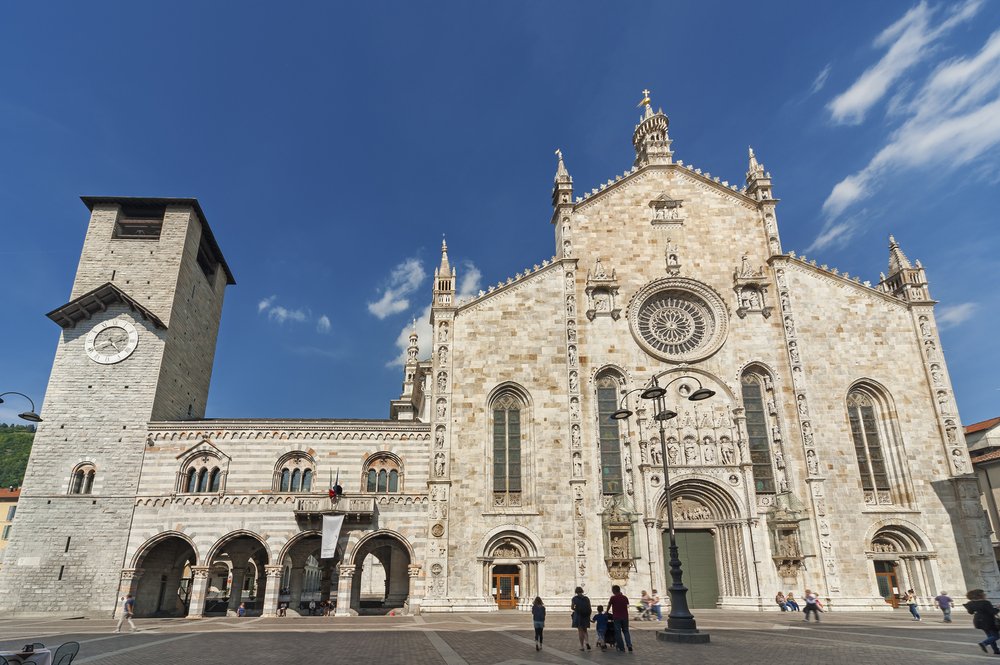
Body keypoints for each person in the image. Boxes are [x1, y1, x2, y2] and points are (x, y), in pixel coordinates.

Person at [965, 589, 1000, 654]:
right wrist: (998, 608)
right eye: (984, 593)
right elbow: (992, 612)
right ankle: (984, 643)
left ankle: (996, 650)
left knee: (990, 636)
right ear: (980, 595)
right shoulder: (985, 602)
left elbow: (971, 612)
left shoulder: (970, 603)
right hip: (988, 620)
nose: (985, 594)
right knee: (996, 636)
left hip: (978, 620)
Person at [608, 585, 633, 653]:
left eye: (612, 590)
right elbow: (627, 605)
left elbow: (609, 605)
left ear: (614, 590)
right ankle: (629, 645)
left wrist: (606, 612)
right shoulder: (625, 597)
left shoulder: (613, 598)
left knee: (618, 633)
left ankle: (621, 647)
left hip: (617, 617)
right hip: (625, 616)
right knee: (626, 631)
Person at [571, 586, 592, 651]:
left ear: (576, 592)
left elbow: (572, 607)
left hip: (579, 616)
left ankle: (582, 646)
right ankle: (587, 642)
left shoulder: (574, 598)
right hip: (586, 616)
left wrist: (575, 609)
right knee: (585, 630)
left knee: (580, 631)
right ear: (582, 591)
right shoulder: (586, 598)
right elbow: (589, 607)